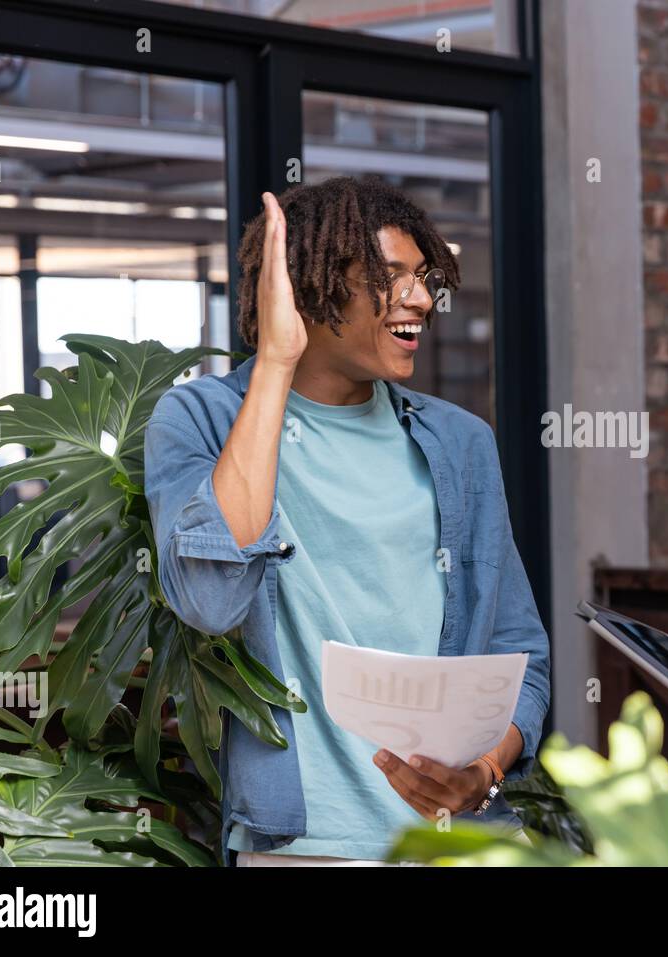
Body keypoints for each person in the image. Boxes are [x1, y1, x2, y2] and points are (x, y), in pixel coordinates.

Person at [143, 175, 550, 867]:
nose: (421, 298)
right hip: (305, 846)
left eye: (423, 278)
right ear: (314, 289)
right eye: (390, 279)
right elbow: (210, 599)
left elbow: (522, 657)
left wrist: (480, 773)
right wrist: (276, 360)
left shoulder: (461, 444)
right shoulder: (200, 421)